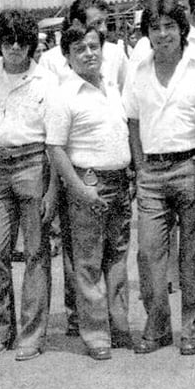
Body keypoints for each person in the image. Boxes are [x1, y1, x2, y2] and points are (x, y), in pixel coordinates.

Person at [123, 0, 195, 356]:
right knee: (149, 256)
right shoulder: (139, 70)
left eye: (169, 26)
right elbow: (133, 121)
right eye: (154, 27)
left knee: (194, 257)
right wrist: (138, 167)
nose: (162, 34)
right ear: (147, 33)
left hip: (192, 170)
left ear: (182, 29)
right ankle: (158, 328)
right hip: (151, 173)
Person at [0, 9, 56, 361]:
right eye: (7, 41)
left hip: (35, 162)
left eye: (21, 41)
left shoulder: (45, 81)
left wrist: (51, 188)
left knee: (35, 252)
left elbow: (55, 139)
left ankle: (32, 335)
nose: (15, 48)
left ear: (31, 44)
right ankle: (2, 330)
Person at [45, 24, 133, 361]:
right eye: (79, 49)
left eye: (94, 46)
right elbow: (55, 148)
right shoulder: (63, 95)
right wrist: (80, 189)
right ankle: (96, 334)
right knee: (88, 263)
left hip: (120, 182)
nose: (88, 54)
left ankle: (119, 326)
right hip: (89, 183)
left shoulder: (111, 87)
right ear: (67, 56)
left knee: (118, 258)